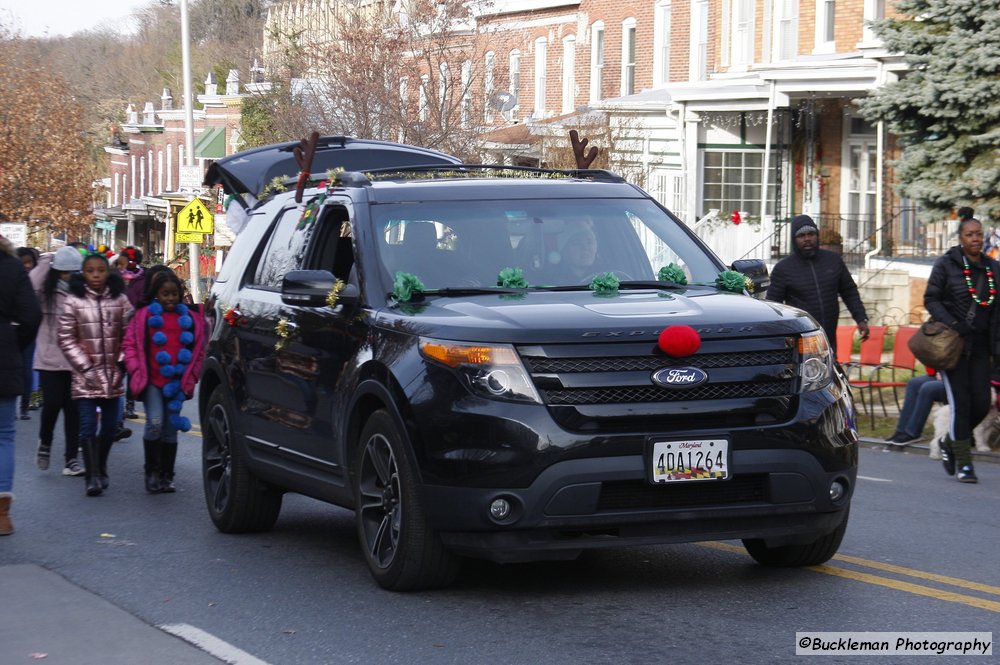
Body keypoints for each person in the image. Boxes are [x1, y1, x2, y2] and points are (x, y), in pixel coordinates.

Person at [924, 215, 1000, 483]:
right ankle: (965, 465)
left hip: (982, 349)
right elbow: (930, 299)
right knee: (961, 403)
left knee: (982, 403)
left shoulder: (993, 268)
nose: (975, 239)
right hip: (953, 347)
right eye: (970, 234)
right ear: (961, 237)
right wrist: (953, 323)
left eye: (979, 234)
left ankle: (949, 442)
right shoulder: (947, 264)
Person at [57, 251, 134, 496]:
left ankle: (100, 466)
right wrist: (86, 367)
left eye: (100, 270)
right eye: (90, 271)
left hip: (113, 375)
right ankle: (91, 476)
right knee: (88, 426)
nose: (96, 276)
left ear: (108, 272)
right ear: (83, 273)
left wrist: (122, 362)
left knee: (110, 427)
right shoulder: (73, 301)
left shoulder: (120, 300)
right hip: (85, 378)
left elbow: (130, 333)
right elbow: (66, 337)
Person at [123, 269, 205, 493]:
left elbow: (199, 351)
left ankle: (166, 476)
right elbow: (130, 345)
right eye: (165, 294)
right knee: (155, 421)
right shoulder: (144, 316)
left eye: (174, 294)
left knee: (170, 430)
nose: (170, 298)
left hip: (177, 383)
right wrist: (135, 368)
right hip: (151, 380)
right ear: (156, 294)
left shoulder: (190, 319)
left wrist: (193, 375)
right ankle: (151, 472)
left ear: (180, 295)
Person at [767, 214, 871, 356]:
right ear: (794, 239)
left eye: (811, 234)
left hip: (829, 335)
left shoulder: (833, 260)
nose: (807, 239)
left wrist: (861, 319)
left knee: (830, 371)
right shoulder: (783, 268)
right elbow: (773, 307)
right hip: (801, 338)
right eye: (801, 235)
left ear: (817, 235)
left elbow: (849, 292)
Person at [29, 246, 86, 476]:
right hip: (49, 361)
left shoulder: (81, 294)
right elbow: (30, 285)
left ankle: (71, 459)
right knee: (52, 405)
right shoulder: (46, 293)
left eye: (72, 272)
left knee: (73, 411)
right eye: (64, 272)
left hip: (75, 362)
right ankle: (45, 443)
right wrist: (47, 261)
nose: (68, 276)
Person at [0, 234, 42, 535]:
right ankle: (2, 513)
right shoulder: (13, 268)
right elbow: (32, 316)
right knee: (4, 434)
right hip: (4, 353)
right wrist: (14, 343)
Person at [884, 370, 946, 444]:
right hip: (944, 375)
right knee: (914, 383)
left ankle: (912, 433)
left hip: (957, 378)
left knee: (928, 388)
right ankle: (902, 431)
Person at [16, 246, 40, 419]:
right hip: (11, 331)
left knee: (26, 368)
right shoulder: (11, 280)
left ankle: (24, 405)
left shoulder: (37, 281)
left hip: (29, 331)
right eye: (23, 262)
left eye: (29, 262)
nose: (27, 266)